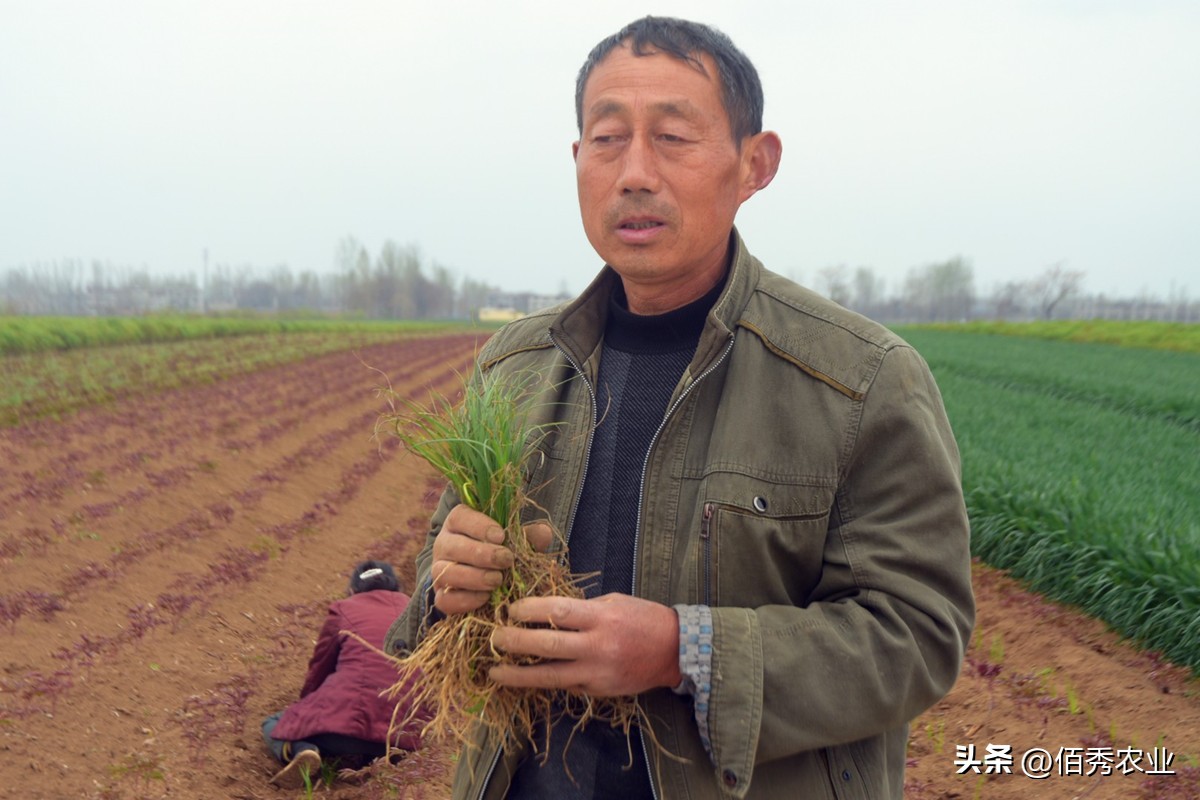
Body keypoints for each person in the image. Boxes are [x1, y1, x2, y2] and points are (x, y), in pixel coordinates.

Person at [386, 15, 974, 800]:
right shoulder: (513, 367)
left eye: (672, 137)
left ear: (754, 164)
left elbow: (918, 635)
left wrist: (682, 652)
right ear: (577, 159)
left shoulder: (861, 380)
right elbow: (434, 589)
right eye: (607, 139)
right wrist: (446, 584)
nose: (634, 172)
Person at [263, 560, 427, 789]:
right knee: (383, 734)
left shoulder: (345, 608)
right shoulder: (416, 610)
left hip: (342, 733)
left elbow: (319, 668)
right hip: (403, 736)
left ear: (353, 591)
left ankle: (304, 750)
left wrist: (306, 709)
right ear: (396, 587)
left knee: (274, 724)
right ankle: (384, 762)